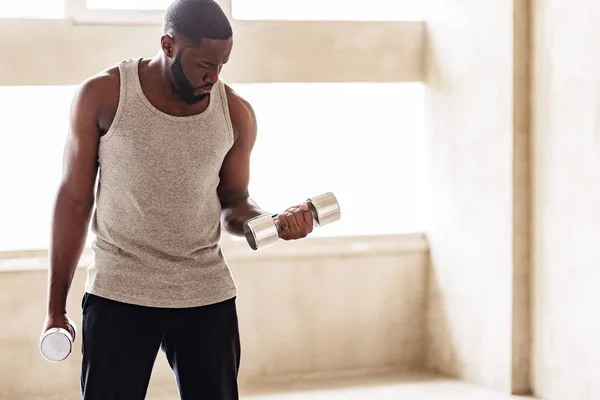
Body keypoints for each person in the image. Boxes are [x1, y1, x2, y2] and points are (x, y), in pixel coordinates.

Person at [41, 0, 313, 398]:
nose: (214, 77)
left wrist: (270, 222)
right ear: (168, 45)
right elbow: (74, 201)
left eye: (223, 65)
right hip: (120, 292)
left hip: (206, 294)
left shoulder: (235, 113)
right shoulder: (103, 96)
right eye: (205, 65)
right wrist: (55, 309)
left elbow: (234, 202)